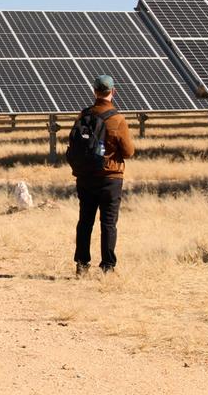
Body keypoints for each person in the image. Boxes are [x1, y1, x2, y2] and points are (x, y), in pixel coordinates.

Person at [73, 75, 135, 276]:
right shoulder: (117, 119)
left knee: (85, 221)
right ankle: (108, 266)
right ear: (113, 92)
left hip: (85, 177)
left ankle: (82, 265)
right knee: (108, 223)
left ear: (94, 92)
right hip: (111, 177)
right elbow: (128, 151)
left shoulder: (83, 116)